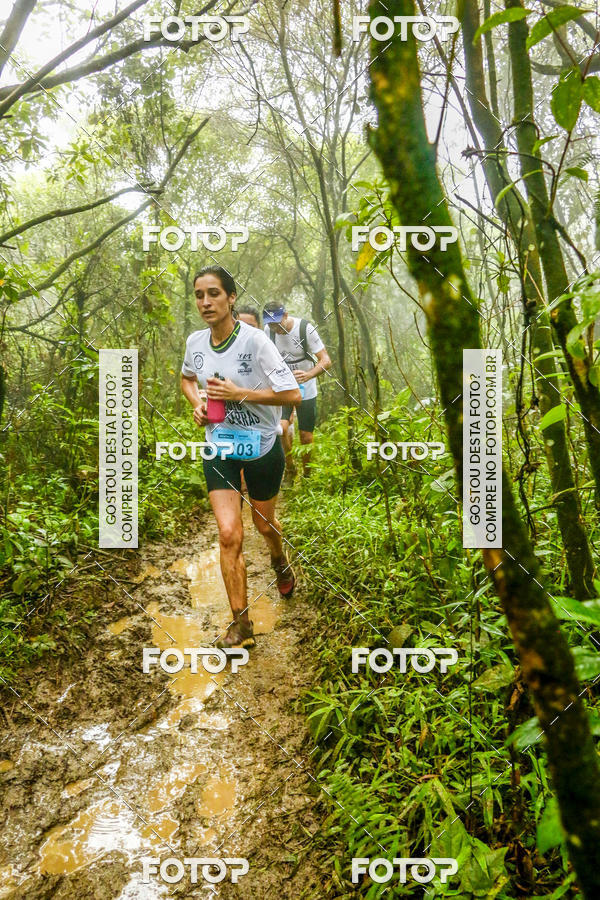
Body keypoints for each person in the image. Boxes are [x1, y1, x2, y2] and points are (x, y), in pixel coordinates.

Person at [181, 266, 301, 649]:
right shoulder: (195, 343)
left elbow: (292, 394)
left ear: (231, 297)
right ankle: (240, 625)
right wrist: (199, 402)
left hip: (264, 446)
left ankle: (279, 559)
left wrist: (240, 395)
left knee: (264, 526)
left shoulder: (256, 342)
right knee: (229, 533)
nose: (205, 302)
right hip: (221, 447)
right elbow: (186, 378)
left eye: (214, 293)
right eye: (199, 295)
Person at [263, 303, 331, 475]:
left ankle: (307, 474)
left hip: (306, 388)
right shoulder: (268, 332)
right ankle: (290, 468)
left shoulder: (304, 329)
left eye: (277, 323)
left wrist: (309, 374)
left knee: (306, 436)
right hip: (283, 389)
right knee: (282, 429)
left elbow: (326, 360)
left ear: (286, 315)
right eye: (271, 324)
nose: (275, 328)